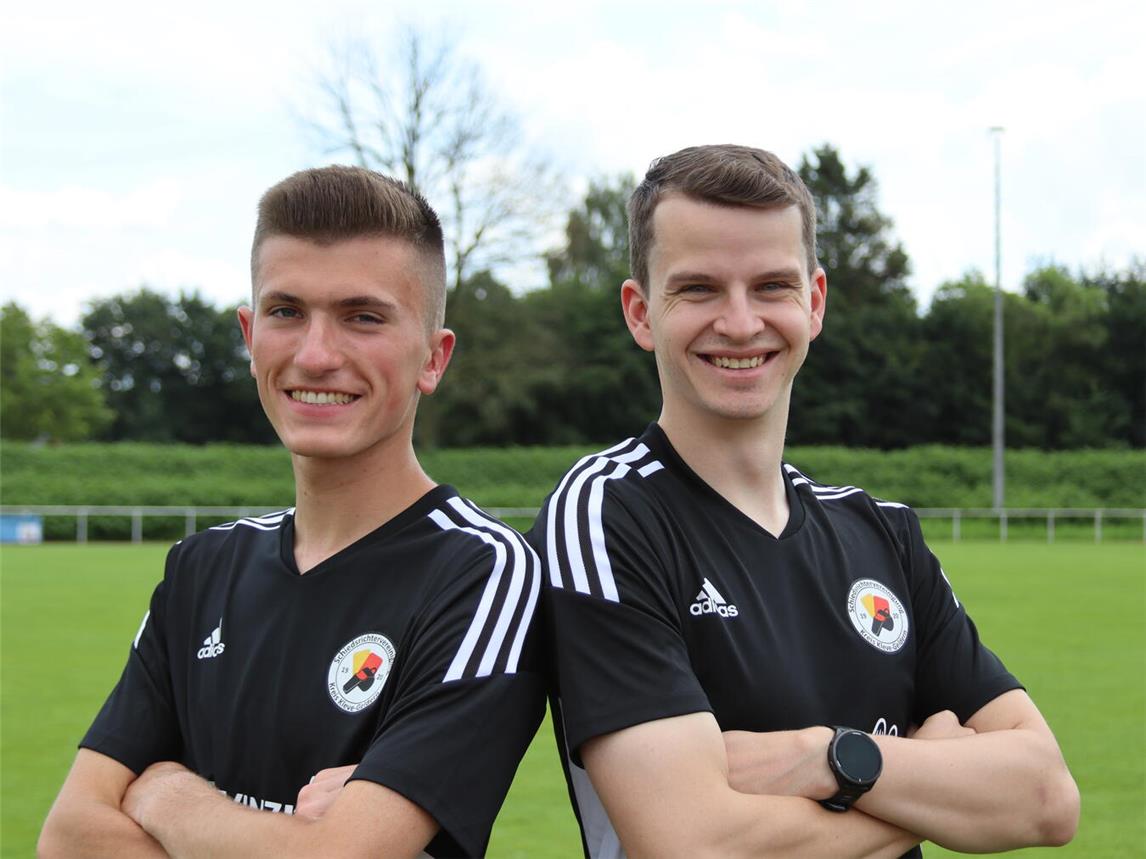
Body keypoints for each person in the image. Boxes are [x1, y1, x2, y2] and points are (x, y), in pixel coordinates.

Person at [530, 144, 1079, 858]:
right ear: (640, 313)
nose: (739, 323)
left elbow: (1047, 797)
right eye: (698, 289)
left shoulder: (882, 532)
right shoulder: (605, 516)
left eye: (771, 287)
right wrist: (932, 783)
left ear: (814, 302)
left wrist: (826, 757)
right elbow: (694, 844)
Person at [39, 166, 544, 858]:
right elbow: (69, 836)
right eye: (286, 312)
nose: (316, 355)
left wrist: (168, 795)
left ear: (434, 357)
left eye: (363, 317)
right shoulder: (200, 568)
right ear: (250, 336)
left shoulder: (482, 571)